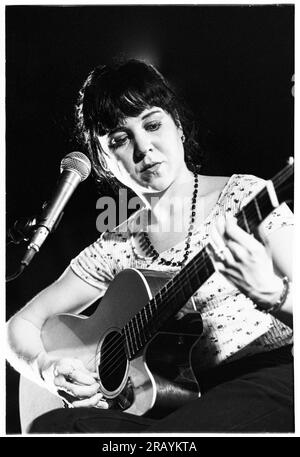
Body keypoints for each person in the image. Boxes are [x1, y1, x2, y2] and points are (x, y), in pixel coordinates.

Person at [6, 59, 294, 433]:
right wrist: (47, 370)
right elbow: (19, 326)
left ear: (178, 127)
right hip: (179, 405)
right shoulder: (118, 241)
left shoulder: (244, 197)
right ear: (104, 162)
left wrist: (272, 293)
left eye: (153, 124)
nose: (144, 147)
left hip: (269, 382)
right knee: (51, 426)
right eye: (120, 140)